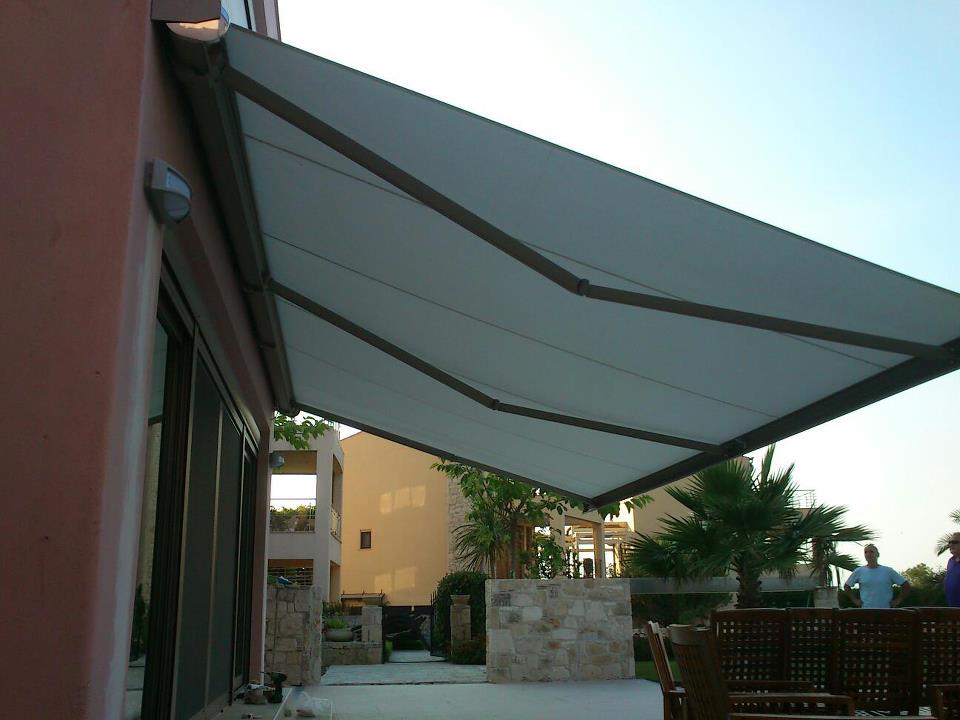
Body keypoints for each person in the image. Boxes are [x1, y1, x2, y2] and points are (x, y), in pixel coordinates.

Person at [843, 544, 910, 608]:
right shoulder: (859, 571)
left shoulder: (888, 571)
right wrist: (855, 600)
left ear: (878, 554)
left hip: (886, 610)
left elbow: (906, 585)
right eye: (866, 552)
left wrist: (898, 601)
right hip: (866, 610)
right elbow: (846, 586)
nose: (868, 554)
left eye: (871, 552)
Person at [945, 532, 960, 607]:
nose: (951, 545)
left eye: (954, 542)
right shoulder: (950, 561)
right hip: (952, 609)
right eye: (949, 542)